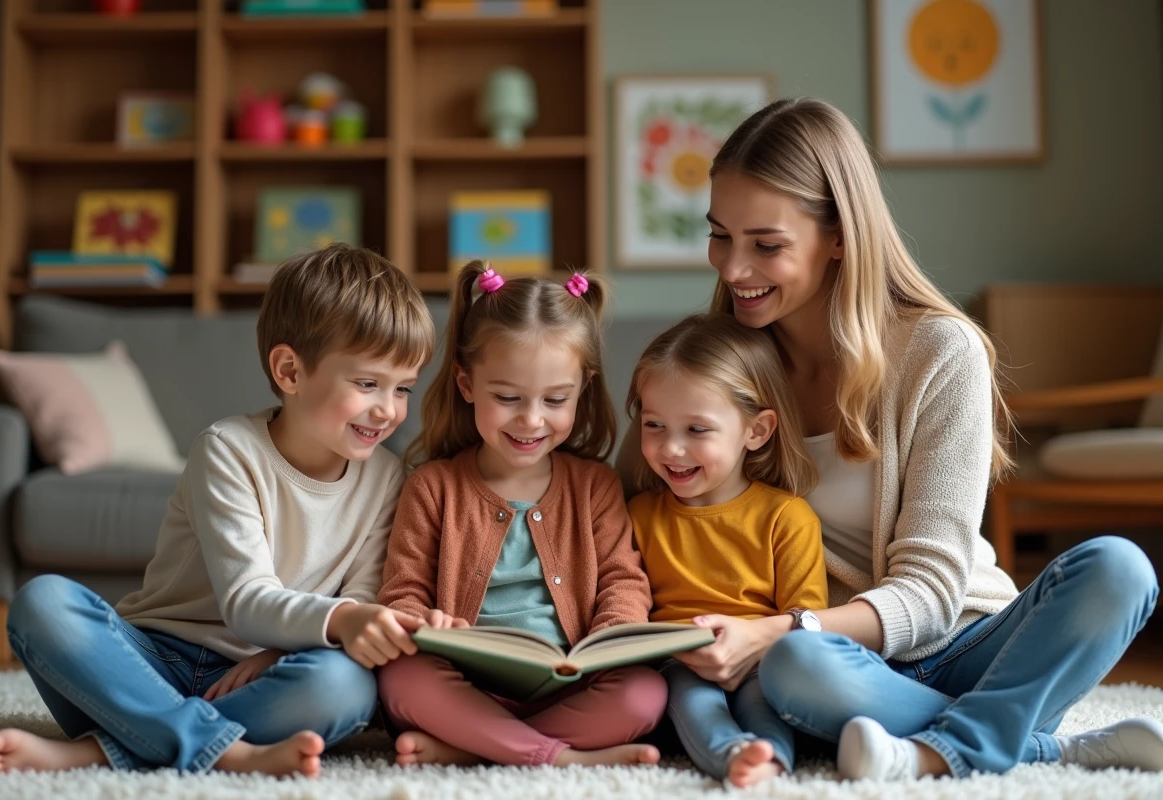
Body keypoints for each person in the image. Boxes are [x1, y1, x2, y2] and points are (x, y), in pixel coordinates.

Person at [619, 97, 1162, 780]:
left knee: (1120, 568)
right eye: (719, 235)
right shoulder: (727, 363)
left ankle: (942, 745)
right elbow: (639, 499)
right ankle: (1029, 742)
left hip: (967, 640)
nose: (732, 268)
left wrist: (776, 629)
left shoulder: (940, 352)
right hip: (836, 665)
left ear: (839, 234)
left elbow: (933, 594)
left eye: (766, 244)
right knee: (795, 664)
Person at [0, 243, 436, 778]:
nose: (389, 409)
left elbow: (357, 598)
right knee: (42, 603)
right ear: (290, 371)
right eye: (366, 384)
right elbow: (246, 600)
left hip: (269, 672)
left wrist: (281, 655)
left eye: (402, 388)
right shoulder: (227, 449)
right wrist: (341, 620)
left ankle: (104, 751)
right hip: (151, 662)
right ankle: (228, 751)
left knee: (346, 684)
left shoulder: (387, 480)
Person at [377, 261, 667, 769]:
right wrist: (430, 622)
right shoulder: (433, 486)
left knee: (644, 693)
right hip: (465, 682)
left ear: (583, 388)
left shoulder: (594, 485)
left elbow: (624, 580)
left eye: (556, 399)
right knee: (402, 679)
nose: (531, 420)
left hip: (568, 682)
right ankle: (556, 756)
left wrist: (607, 639)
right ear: (467, 384)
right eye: (507, 397)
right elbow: (401, 594)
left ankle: (471, 747)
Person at [625, 313, 827, 787]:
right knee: (691, 697)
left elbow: (807, 615)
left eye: (697, 430)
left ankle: (772, 756)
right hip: (680, 662)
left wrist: (754, 646)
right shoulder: (637, 514)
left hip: (761, 658)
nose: (671, 448)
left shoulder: (786, 516)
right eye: (655, 424)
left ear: (756, 431)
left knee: (763, 700)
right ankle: (731, 755)